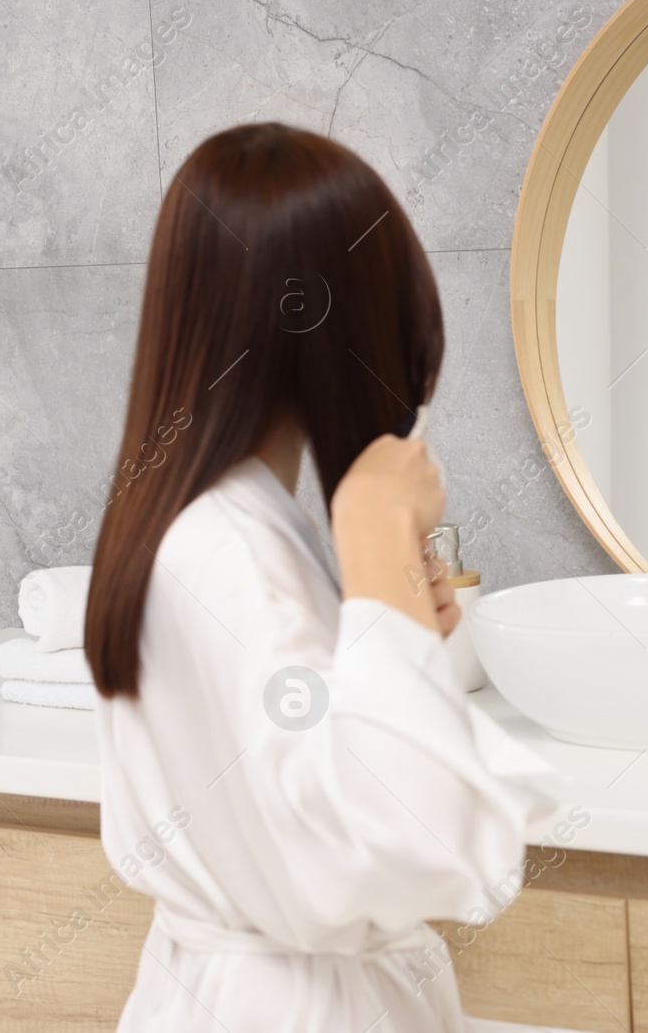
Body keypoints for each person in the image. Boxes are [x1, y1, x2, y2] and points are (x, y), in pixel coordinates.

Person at [83, 122, 573, 1032]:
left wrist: (386, 627)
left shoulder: (202, 519)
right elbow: (395, 832)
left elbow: (286, 773)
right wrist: (378, 529)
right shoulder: (232, 552)